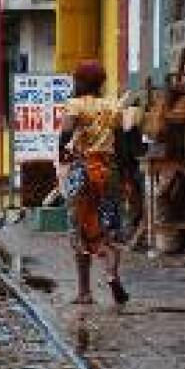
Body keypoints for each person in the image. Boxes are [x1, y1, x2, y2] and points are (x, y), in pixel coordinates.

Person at [59, 61, 130, 306]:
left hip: (83, 171)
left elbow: (65, 134)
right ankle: (111, 274)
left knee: (81, 228)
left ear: (80, 82)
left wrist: (62, 156)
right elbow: (121, 142)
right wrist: (125, 175)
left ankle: (85, 292)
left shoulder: (75, 105)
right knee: (109, 227)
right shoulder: (113, 105)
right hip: (108, 172)